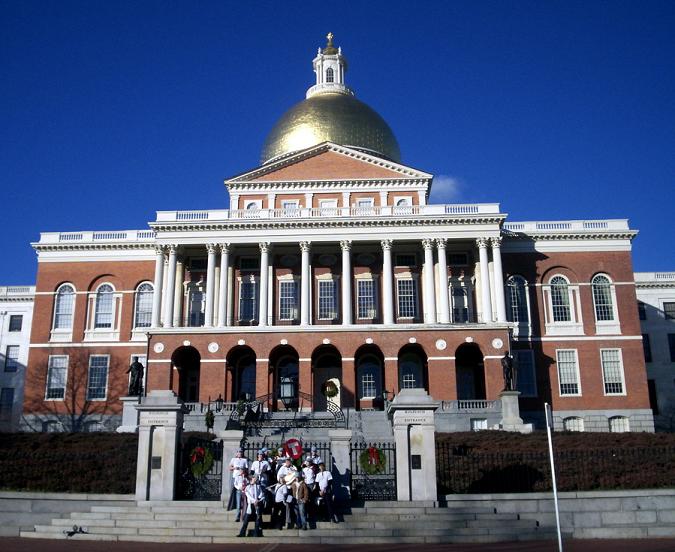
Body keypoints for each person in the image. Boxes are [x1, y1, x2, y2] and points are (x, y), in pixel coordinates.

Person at [228, 448, 249, 515]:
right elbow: (229, 468)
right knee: (233, 492)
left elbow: (246, 469)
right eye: (238, 452)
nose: (239, 453)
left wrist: (243, 471)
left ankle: (241, 511)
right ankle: (233, 505)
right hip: (235, 477)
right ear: (236, 453)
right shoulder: (233, 459)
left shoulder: (244, 460)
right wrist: (234, 468)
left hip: (242, 478)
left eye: (241, 452)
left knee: (242, 495)